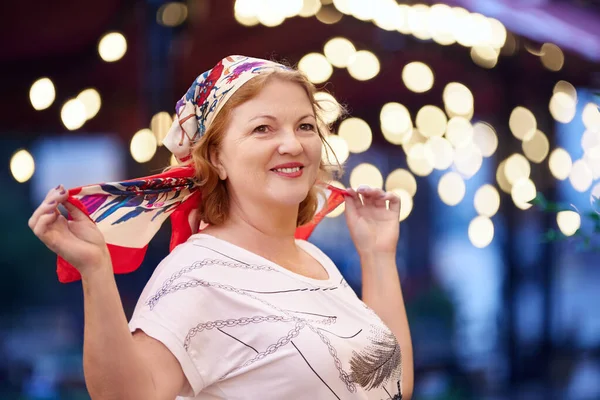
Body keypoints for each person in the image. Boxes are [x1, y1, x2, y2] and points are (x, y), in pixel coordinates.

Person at [28, 55, 413, 399]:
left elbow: (393, 384)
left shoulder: (315, 260)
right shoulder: (198, 273)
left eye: (305, 126)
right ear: (216, 157)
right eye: (263, 128)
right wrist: (96, 270)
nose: (292, 144)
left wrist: (377, 253)